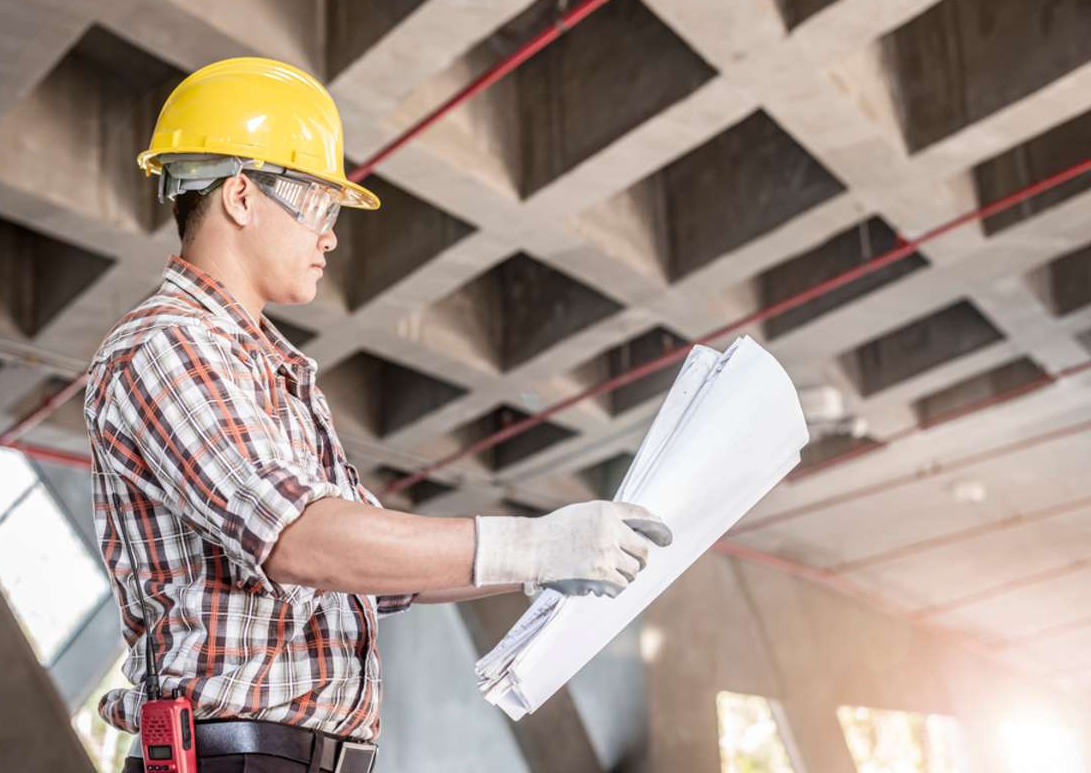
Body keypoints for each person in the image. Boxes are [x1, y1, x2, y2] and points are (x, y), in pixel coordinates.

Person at [83, 57, 673, 773]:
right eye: (318, 206)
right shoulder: (168, 347)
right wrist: (533, 547)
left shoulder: (269, 373)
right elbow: (301, 540)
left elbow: (386, 570)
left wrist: (550, 561)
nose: (330, 236)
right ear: (241, 196)